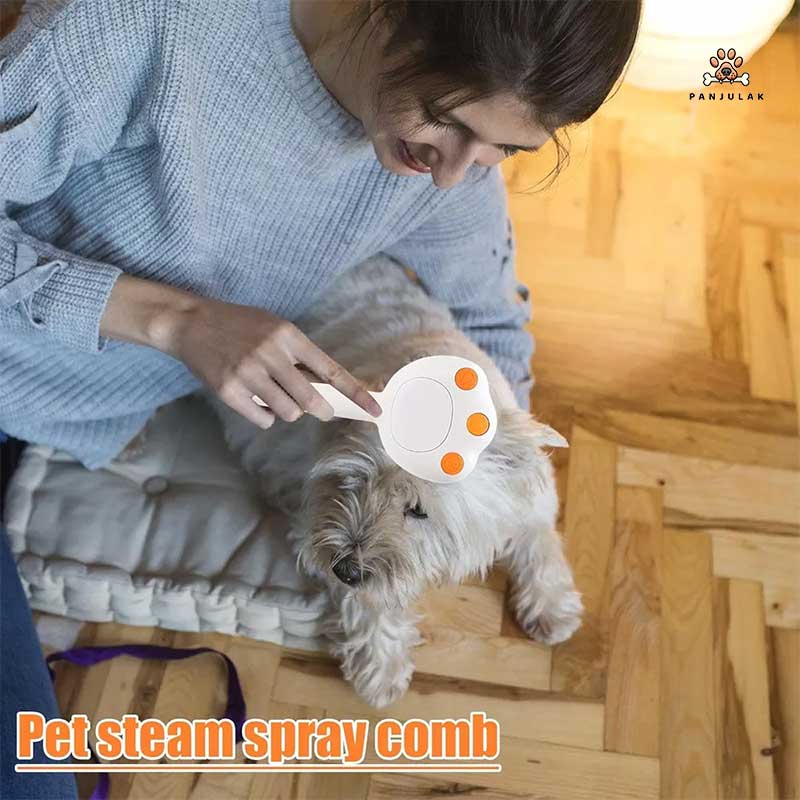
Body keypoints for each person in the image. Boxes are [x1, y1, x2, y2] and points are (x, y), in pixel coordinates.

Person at [0, 1, 642, 796]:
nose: (453, 174)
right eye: (444, 118)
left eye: (504, 150)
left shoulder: (446, 168)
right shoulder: (146, 23)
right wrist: (176, 320)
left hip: (77, 420)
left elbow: (489, 324)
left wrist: (497, 478)